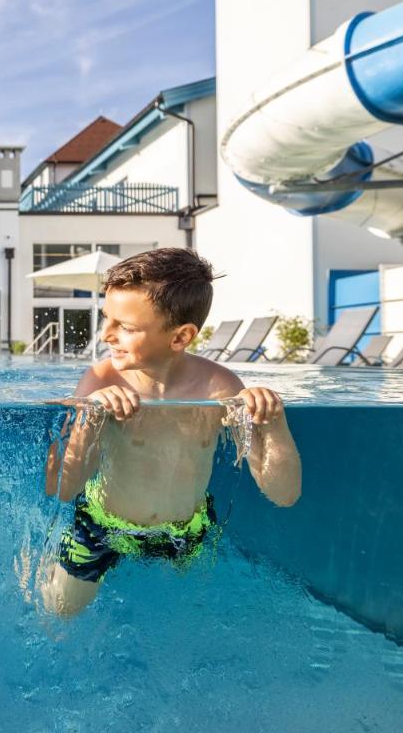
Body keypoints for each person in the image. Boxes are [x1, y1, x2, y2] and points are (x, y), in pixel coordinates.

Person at [41, 248, 302, 617]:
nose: (105, 335)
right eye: (106, 319)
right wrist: (90, 415)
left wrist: (272, 422)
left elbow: (284, 494)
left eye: (126, 327)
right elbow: (63, 488)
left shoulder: (219, 389)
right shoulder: (100, 380)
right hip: (103, 525)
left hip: (184, 532)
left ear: (180, 337)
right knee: (59, 611)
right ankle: (38, 569)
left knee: (185, 621)